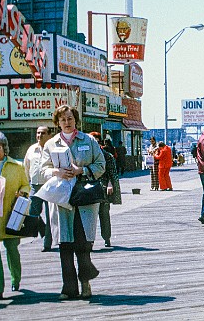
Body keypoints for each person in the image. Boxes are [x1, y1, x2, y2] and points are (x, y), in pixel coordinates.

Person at [41, 104, 105, 300]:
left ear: (75, 119)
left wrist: (81, 171)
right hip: (61, 200)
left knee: (83, 243)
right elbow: (42, 170)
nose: (67, 123)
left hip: (84, 198)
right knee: (65, 245)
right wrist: (56, 172)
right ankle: (69, 288)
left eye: (70, 119)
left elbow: (101, 164)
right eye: (63, 120)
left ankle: (86, 284)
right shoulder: (51, 144)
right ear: (57, 123)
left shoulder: (88, 140)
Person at [0, 131, 31, 299]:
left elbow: (26, 186)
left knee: (12, 250)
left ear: (5, 148)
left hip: (11, 216)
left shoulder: (17, 167)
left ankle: (15, 279)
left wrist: (22, 193)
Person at [89, 132, 122, 247]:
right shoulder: (85, 156)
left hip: (102, 188)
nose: (95, 144)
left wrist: (110, 184)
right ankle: (89, 240)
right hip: (88, 190)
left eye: (97, 142)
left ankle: (106, 238)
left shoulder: (107, 156)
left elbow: (112, 173)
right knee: (89, 217)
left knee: (104, 214)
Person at [24, 126, 53, 252]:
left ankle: (47, 244)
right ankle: (44, 231)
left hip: (49, 186)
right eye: (38, 133)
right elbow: (26, 166)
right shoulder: (31, 149)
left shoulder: (52, 148)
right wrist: (27, 183)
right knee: (32, 213)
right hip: (35, 186)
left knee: (50, 215)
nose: (39, 135)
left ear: (49, 135)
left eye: (42, 133)